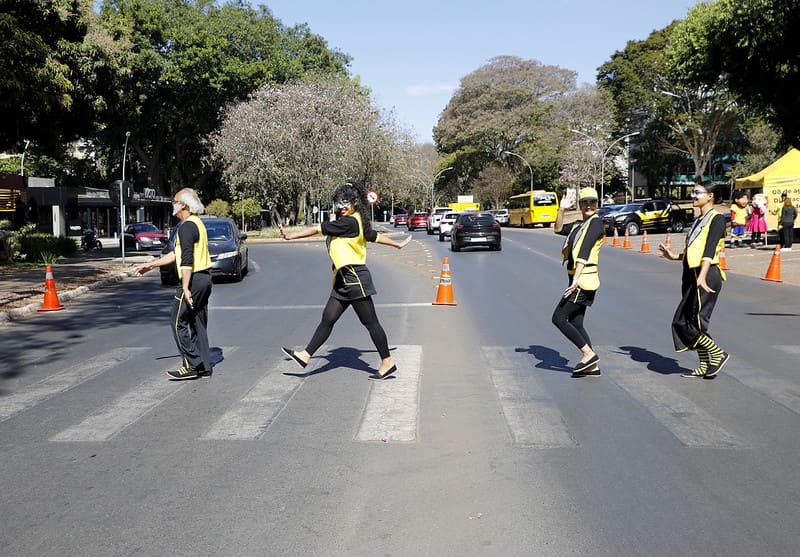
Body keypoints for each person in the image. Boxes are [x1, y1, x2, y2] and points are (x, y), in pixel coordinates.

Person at [278, 182, 411, 379]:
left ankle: (387, 361)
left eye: (345, 203)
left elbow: (317, 229)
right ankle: (305, 355)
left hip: (354, 278)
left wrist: (290, 236)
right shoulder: (355, 219)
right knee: (328, 318)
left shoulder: (349, 223)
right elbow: (373, 236)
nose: (341, 207)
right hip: (343, 280)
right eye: (339, 203)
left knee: (371, 322)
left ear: (355, 203)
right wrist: (396, 244)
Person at [135, 188, 213, 380]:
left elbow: (186, 260)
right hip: (204, 278)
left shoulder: (186, 227)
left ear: (184, 205)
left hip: (193, 280)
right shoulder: (197, 223)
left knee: (177, 321)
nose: (173, 204)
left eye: (175, 201)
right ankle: (203, 365)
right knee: (197, 323)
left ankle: (191, 364)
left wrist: (185, 287)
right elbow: (175, 254)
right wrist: (151, 264)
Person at [658, 181, 729, 379]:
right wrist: (674, 256)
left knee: (684, 322)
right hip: (691, 274)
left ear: (711, 196)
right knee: (690, 321)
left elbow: (708, 252)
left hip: (705, 275)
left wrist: (702, 276)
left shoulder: (717, 219)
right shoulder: (699, 220)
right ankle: (706, 365)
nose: (693, 196)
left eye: (698, 192)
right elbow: (694, 251)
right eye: (693, 192)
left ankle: (717, 353)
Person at [552, 186, 605, 378]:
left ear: (597, 205)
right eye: (585, 202)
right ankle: (592, 367)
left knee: (558, 318)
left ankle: (589, 354)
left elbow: (584, 251)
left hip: (583, 280)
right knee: (576, 322)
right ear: (580, 205)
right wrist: (562, 209)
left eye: (592, 202)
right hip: (577, 278)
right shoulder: (578, 224)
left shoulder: (596, 223)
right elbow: (557, 228)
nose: (589, 206)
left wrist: (575, 280)